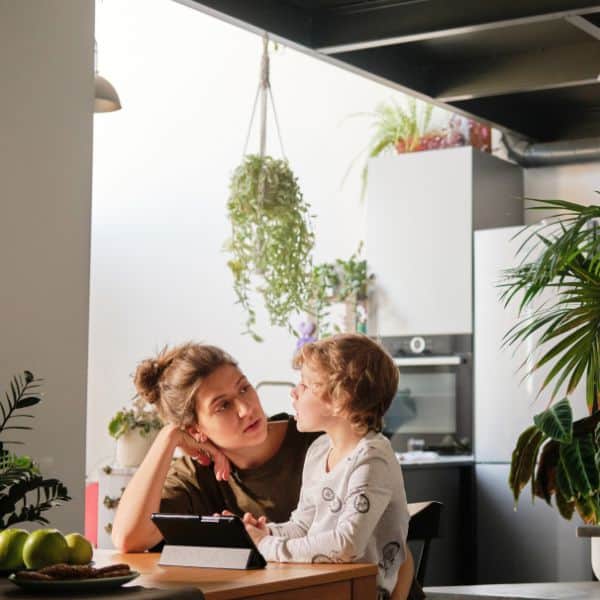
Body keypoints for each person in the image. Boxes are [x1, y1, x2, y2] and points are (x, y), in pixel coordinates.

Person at [111, 341, 420, 600]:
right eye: (223, 406)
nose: (246, 408)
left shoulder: (324, 436)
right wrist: (168, 438)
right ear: (195, 429)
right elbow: (128, 539)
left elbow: (389, 545)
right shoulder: (197, 474)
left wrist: (263, 543)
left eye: (244, 388)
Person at [241, 334, 410, 600]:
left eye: (305, 386)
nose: (294, 392)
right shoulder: (320, 449)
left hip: (357, 591)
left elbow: (346, 545)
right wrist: (263, 533)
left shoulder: (372, 457)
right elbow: (303, 525)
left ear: (340, 400)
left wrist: (267, 546)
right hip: (319, 584)